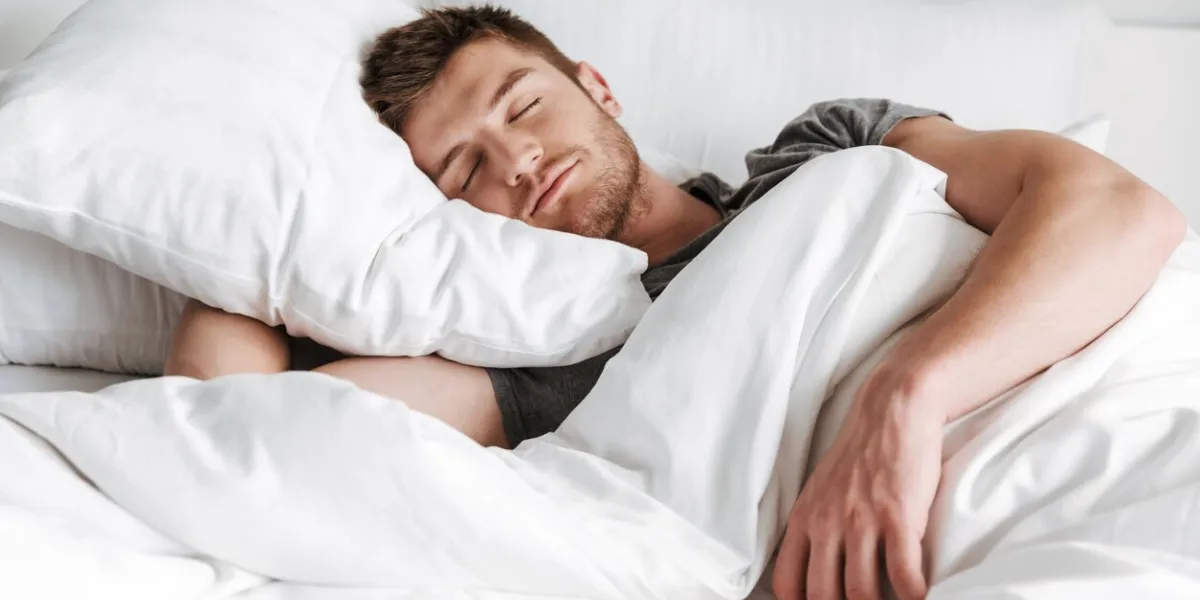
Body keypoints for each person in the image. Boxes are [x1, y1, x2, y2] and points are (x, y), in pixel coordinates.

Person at [164, 5, 1186, 600]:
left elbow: (1115, 208)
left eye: (523, 106)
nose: (516, 161)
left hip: (1100, 431)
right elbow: (236, 426)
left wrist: (905, 397)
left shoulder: (823, 153)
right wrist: (274, 221)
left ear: (598, 87)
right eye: (463, 167)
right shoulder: (548, 367)